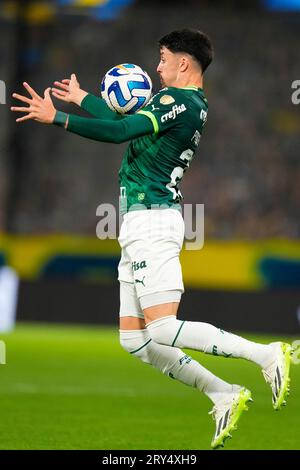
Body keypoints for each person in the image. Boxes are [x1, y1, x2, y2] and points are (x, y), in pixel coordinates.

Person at [11, 28, 292, 449]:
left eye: (162, 58)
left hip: (153, 222)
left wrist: (60, 118)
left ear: (184, 62)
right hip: (137, 224)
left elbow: (119, 133)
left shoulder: (176, 100)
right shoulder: (184, 105)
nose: (156, 67)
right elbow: (127, 124)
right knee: (134, 340)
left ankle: (264, 355)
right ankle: (222, 392)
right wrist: (85, 99)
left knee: (162, 327)